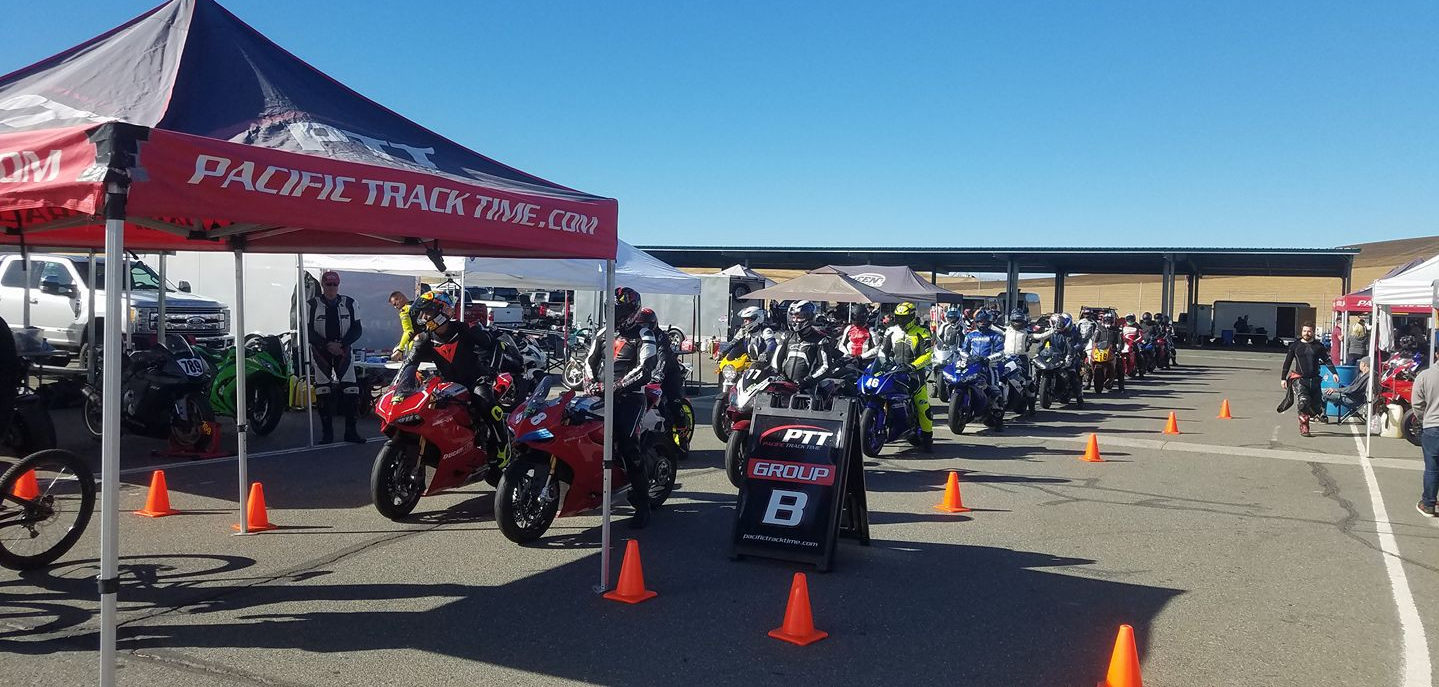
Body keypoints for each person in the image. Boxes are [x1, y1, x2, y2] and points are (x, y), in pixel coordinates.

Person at [402, 291, 509, 464]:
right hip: (447, 385)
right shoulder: (424, 339)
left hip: (475, 381)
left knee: (488, 406)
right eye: (422, 313)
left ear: (443, 311)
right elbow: (409, 363)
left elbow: (497, 345)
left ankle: (503, 448)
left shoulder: (464, 329)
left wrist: (491, 374)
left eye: (427, 312)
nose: (423, 317)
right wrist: (401, 388)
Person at [586, 287, 659, 529]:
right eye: (612, 308)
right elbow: (589, 360)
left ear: (632, 310)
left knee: (629, 446)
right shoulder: (604, 332)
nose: (615, 313)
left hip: (631, 397)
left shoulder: (644, 333)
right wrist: (589, 381)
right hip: (600, 393)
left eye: (620, 309)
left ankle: (643, 504)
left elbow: (646, 366)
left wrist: (618, 386)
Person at [306, 270, 363, 443]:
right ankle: (327, 434)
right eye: (328, 284)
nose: (331, 288)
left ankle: (351, 432)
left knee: (351, 389)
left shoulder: (350, 303)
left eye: (334, 285)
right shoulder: (311, 305)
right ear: (322, 285)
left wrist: (342, 344)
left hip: (343, 350)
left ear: (338, 285)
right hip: (320, 350)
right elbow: (306, 330)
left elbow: (357, 329)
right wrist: (326, 345)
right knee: (323, 390)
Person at [875, 302, 934, 449]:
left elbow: (928, 355)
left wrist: (912, 366)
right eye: (898, 317)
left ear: (912, 317)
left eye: (904, 317)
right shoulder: (891, 331)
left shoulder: (922, 332)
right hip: (893, 372)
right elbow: (883, 351)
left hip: (914, 374)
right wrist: (885, 362)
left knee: (922, 405)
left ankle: (928, 439)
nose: (901, 321)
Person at [641, 307, 690, 457]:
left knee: (674, 404)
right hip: (648, 372)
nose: (644, 328)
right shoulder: (637, 336)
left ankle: (683, 441)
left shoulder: (661, 337)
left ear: (654, 324)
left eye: (646, 324)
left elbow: (662, 358)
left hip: (669, 374)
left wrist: (657, 377)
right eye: (641, 324)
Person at [1279, 324, 1339, 437]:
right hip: (1300, 379)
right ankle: (1304, 426)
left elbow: (1327, 360)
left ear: (1313, 332)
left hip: (1315, 379)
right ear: (1301, 331)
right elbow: (1287, 362)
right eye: (1304, 331)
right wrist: (1283, 378)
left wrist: (1334, 373)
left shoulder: (1318, 346)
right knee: (1303, 402)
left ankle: (1312, 415)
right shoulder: (1295, 346)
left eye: (1309, 331)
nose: (1306, 333)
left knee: (1316, 406)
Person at [1411, 360, 1439, 517]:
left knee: (1432, 468)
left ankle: (1428, 503)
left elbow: (1417, 403)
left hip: (1433, 426)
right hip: (1432, 424)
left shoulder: (1425, 376)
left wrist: (1423, 419)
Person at [389, 291, 414, 362]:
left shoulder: (404, 311)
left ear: (400, 299)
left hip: (415, 345)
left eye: (395, 304)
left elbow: (408, 331)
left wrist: (400, 349)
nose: (395, 307)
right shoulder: (415, 305)